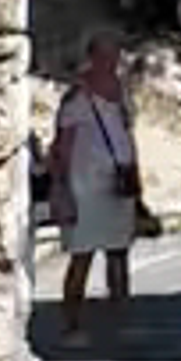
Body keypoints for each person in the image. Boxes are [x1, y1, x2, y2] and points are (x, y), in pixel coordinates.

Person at [40, 34, 150, 328]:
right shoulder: (77, 97)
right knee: (82, 256)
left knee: (119, 255)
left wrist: (136, 184)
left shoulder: (122, 92)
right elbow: (62, 145)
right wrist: (61, 189)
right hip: (85, 186)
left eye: (115, 56)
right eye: (105, 56)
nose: (112, 63)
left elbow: (127, 136)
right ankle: (72, 324)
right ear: (92, 58)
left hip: (119, 183)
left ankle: (122, 320)